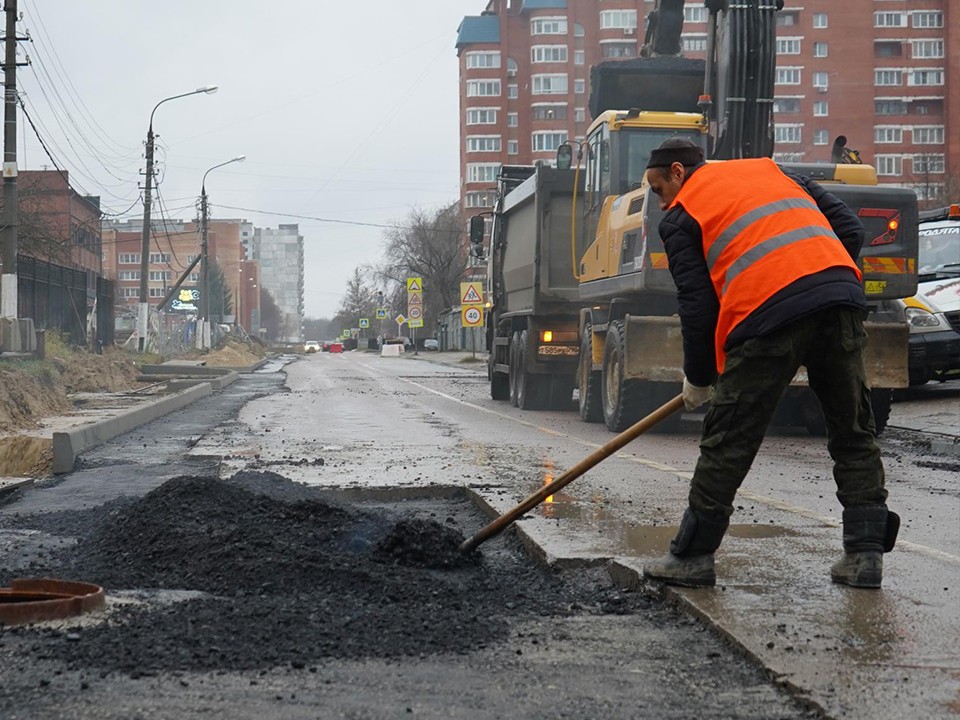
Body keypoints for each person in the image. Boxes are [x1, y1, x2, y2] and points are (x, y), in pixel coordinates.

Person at [641, 138, 899, 589]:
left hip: (767, 314)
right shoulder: (774, 172)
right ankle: (864, 558)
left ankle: (693, 557)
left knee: (730, 436)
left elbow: (698, 308)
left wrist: (699, 378)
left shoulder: (683, 215)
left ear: (678, 172)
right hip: (839, 298)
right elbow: (851, 230)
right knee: (853, 430)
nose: (662, 202)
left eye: (659, 188)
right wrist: (821, 281)